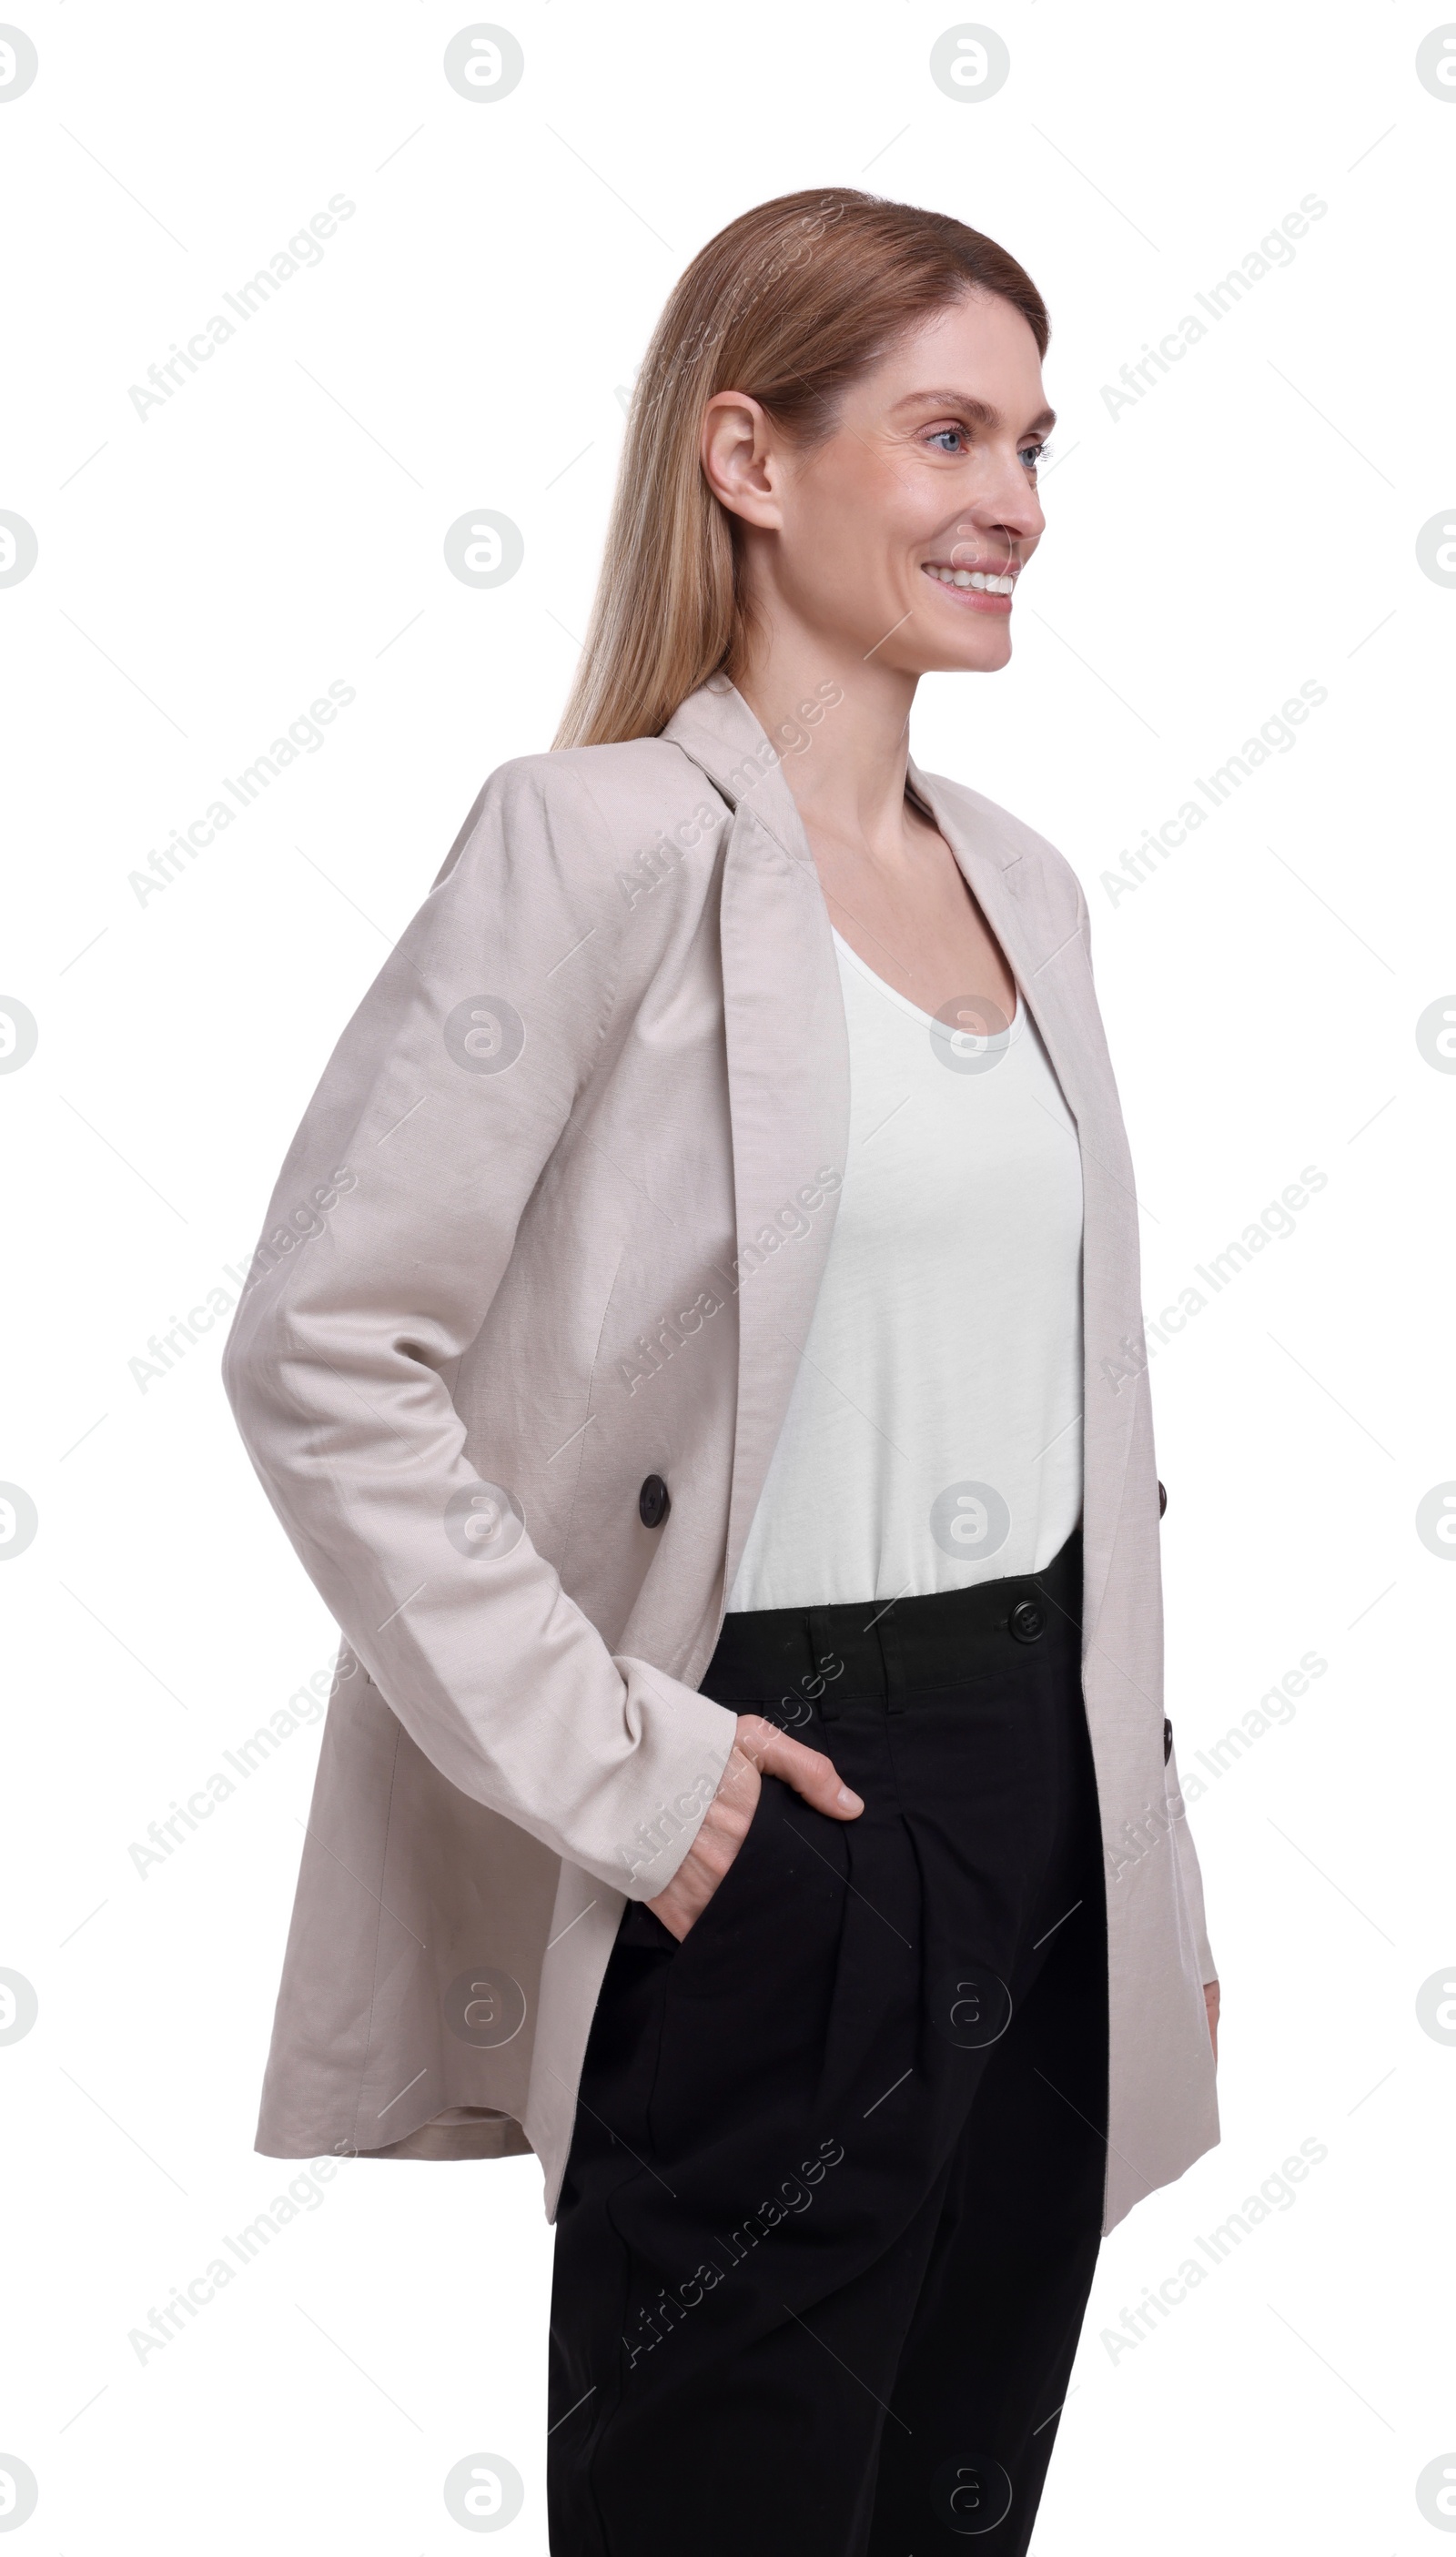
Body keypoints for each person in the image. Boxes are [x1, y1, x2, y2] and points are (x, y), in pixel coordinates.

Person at [222, 188, 1219, 2556]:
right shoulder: (589, 851)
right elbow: (322, 1349)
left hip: (1043, 1826)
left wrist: (1129, 1864)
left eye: (1039, 442)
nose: (1019, 504)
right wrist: (650, 1787)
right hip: (776, 1819)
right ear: (751, 458)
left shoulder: (1032, 882)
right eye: (952, 431)